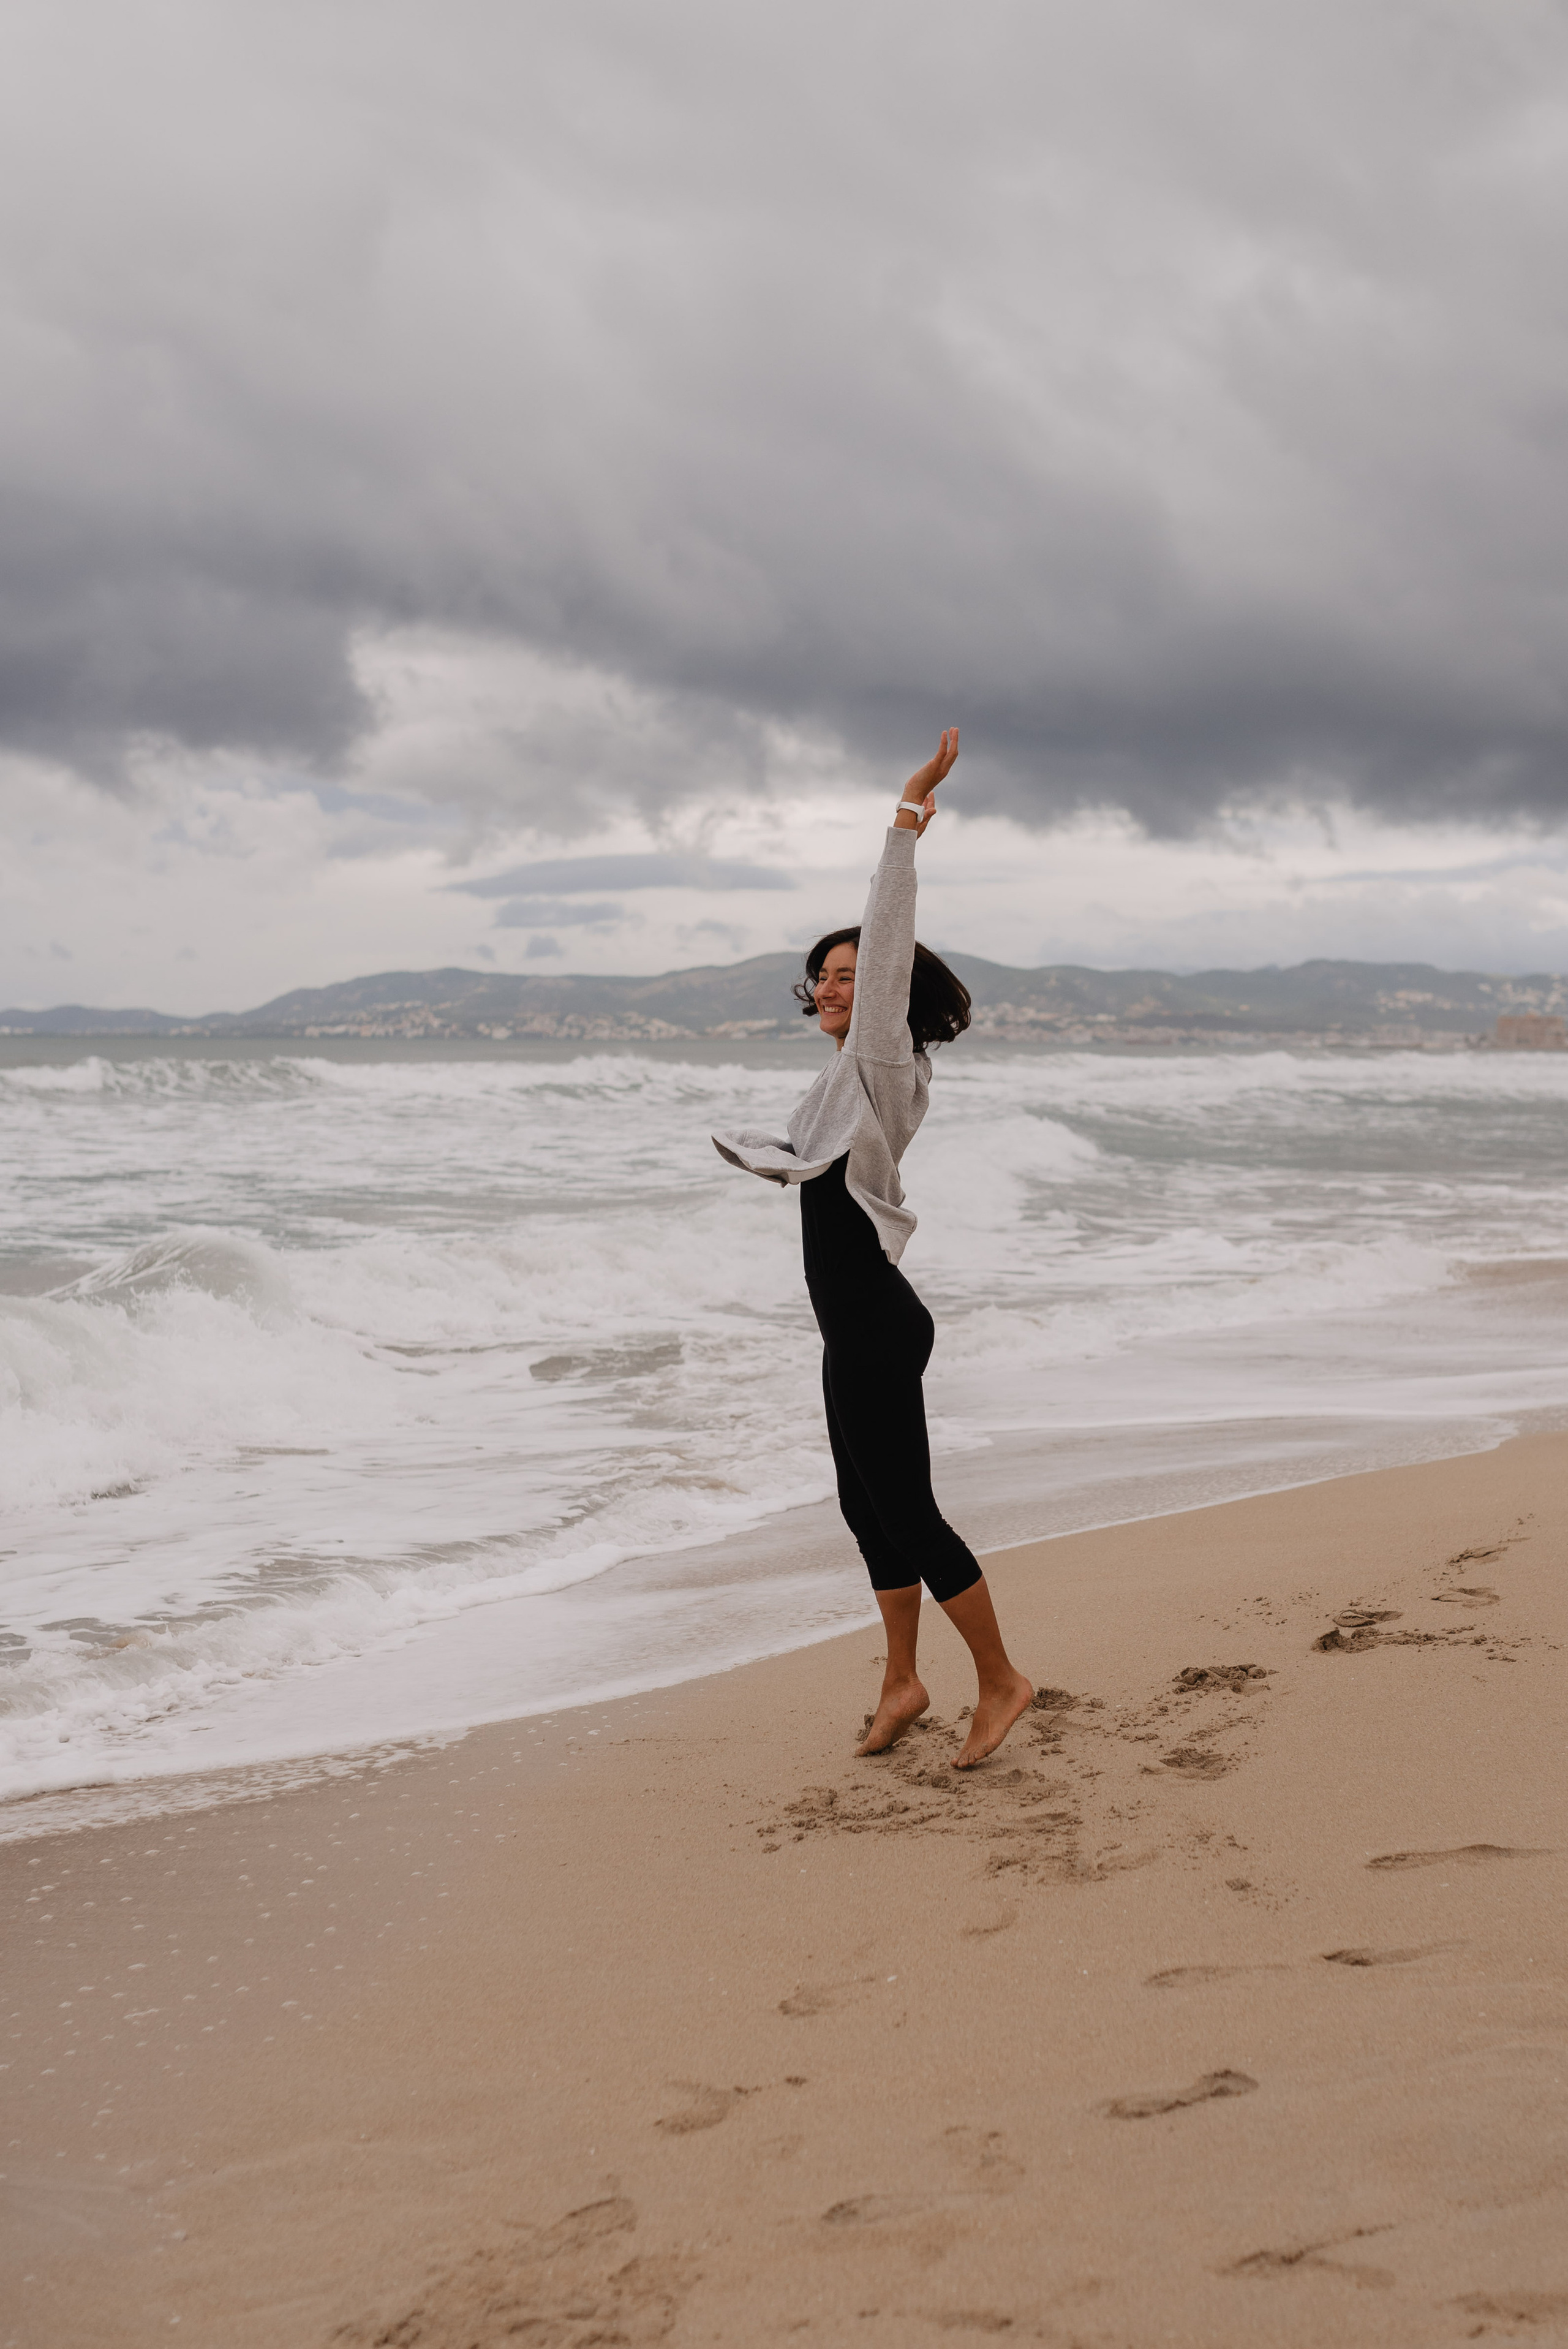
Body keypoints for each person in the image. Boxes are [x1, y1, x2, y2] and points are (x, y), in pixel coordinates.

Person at [712, 730, 1034, 1768]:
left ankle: (1002, 1679)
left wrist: (904, 817)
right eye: (823, 976)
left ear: (887, 991)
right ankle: (902, 1680)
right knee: (867, 1508)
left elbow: (889, 938)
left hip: (876, 1323)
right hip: (854, 1323)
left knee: (909, 1512)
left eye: (850, 975)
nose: (832, 986)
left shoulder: (882, 1055)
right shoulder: (842, 1084)